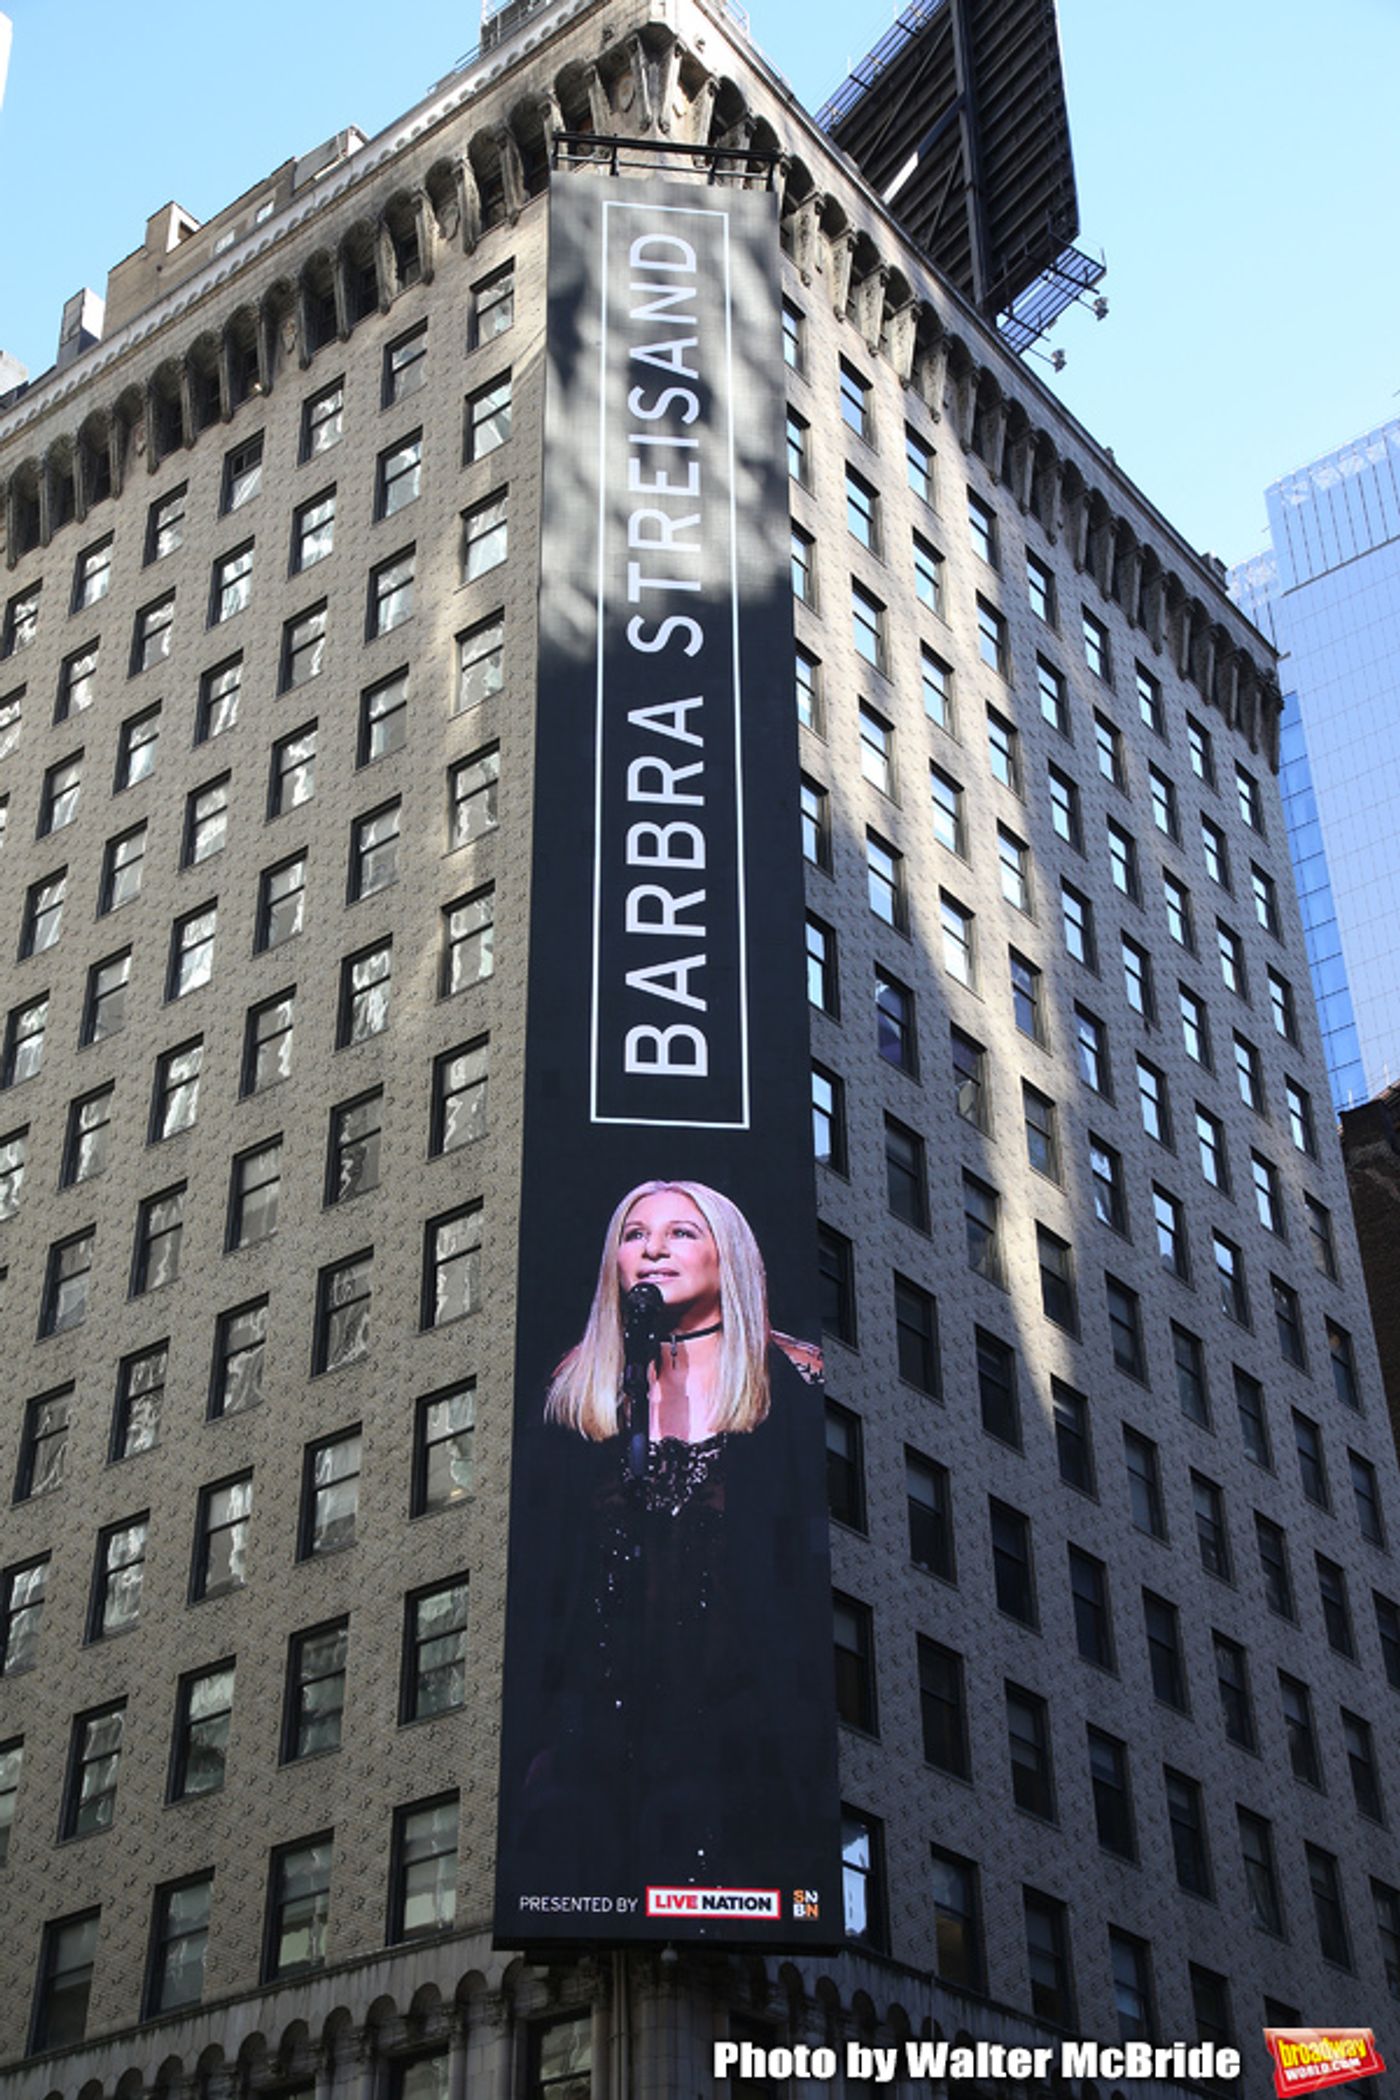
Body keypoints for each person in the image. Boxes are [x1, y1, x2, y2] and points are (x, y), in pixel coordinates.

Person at [499, 1179, 830, 1914]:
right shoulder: (571, 1392)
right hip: (595, 1744)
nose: (652, 1250)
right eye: (634, 1234)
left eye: (681, 1233)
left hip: (748, 1742)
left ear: (729, 1254)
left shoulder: (798, 1382)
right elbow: (540, 1592)